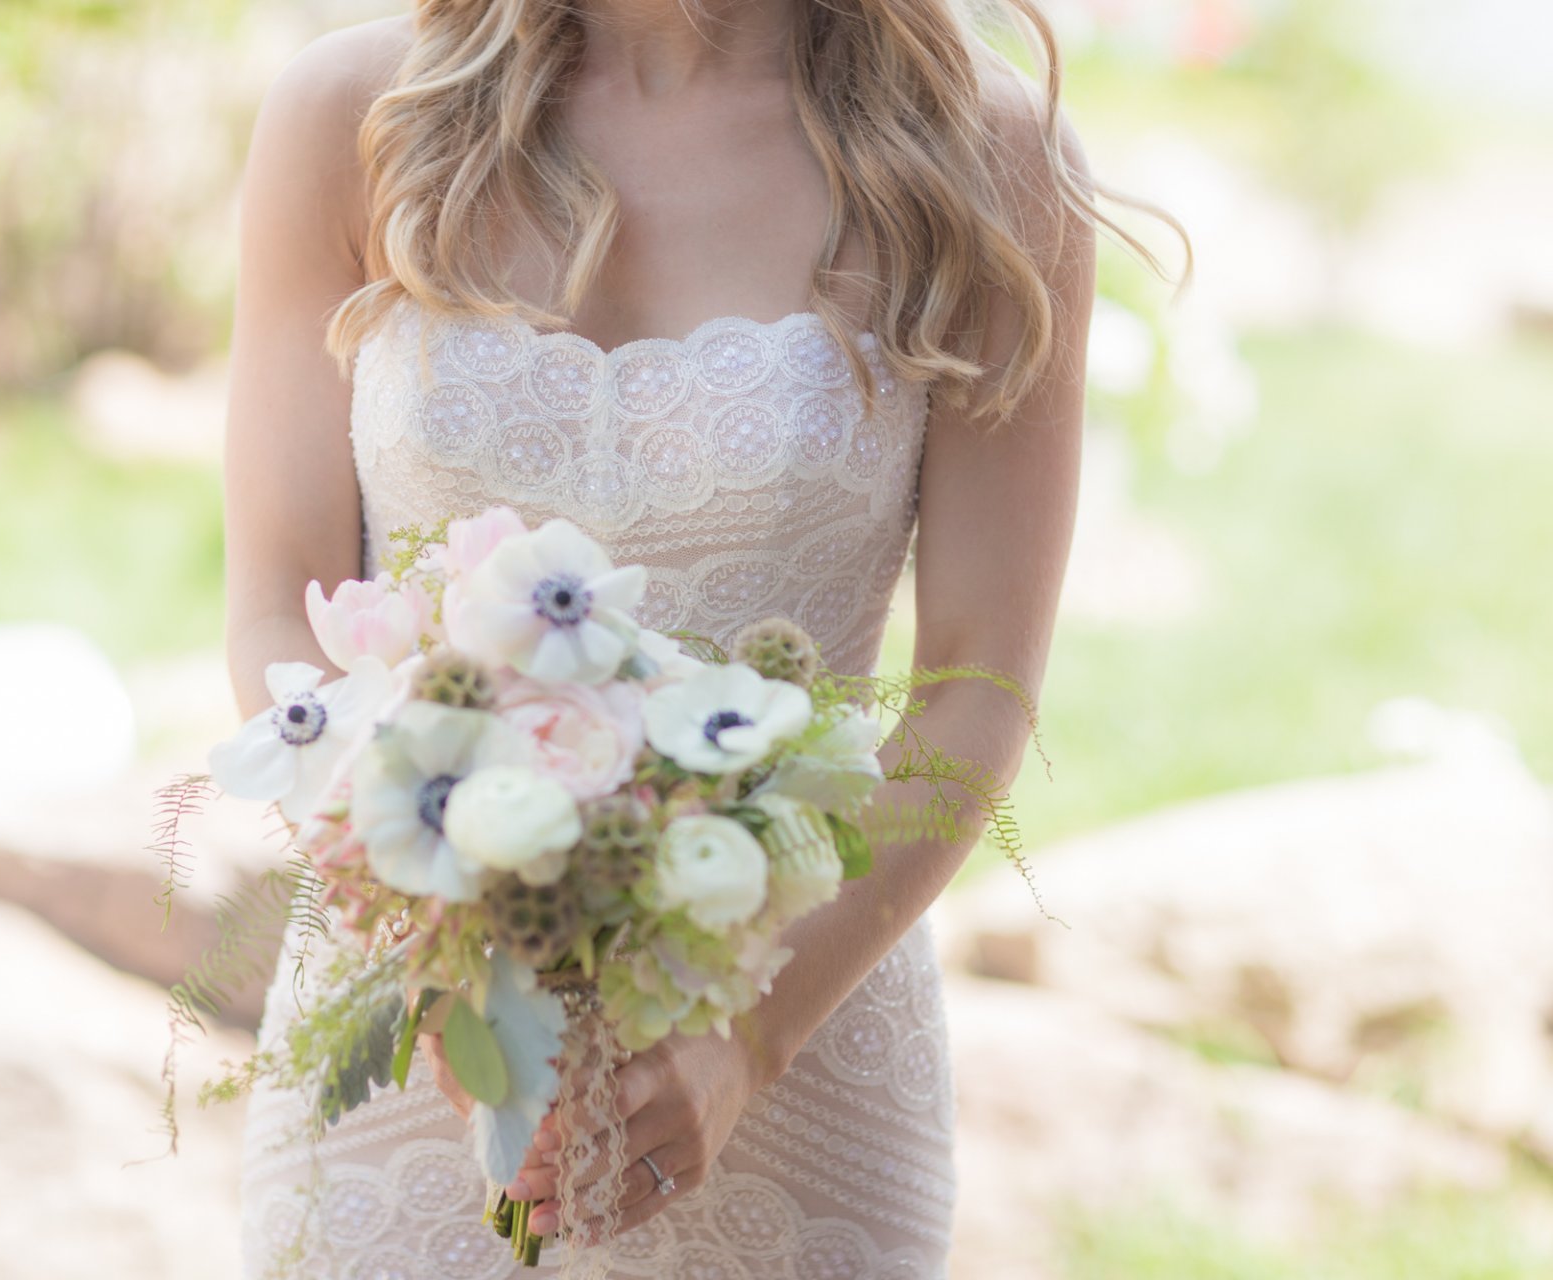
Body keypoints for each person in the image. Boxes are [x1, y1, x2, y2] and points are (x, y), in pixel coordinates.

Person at [220, 1, 1187, 1275]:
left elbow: (978, 681)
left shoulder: (983, 154)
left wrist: (750, 1031)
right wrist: (446, 959)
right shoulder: (355, 113)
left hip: (800, 1009)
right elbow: (282, 600)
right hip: (416, 1028)